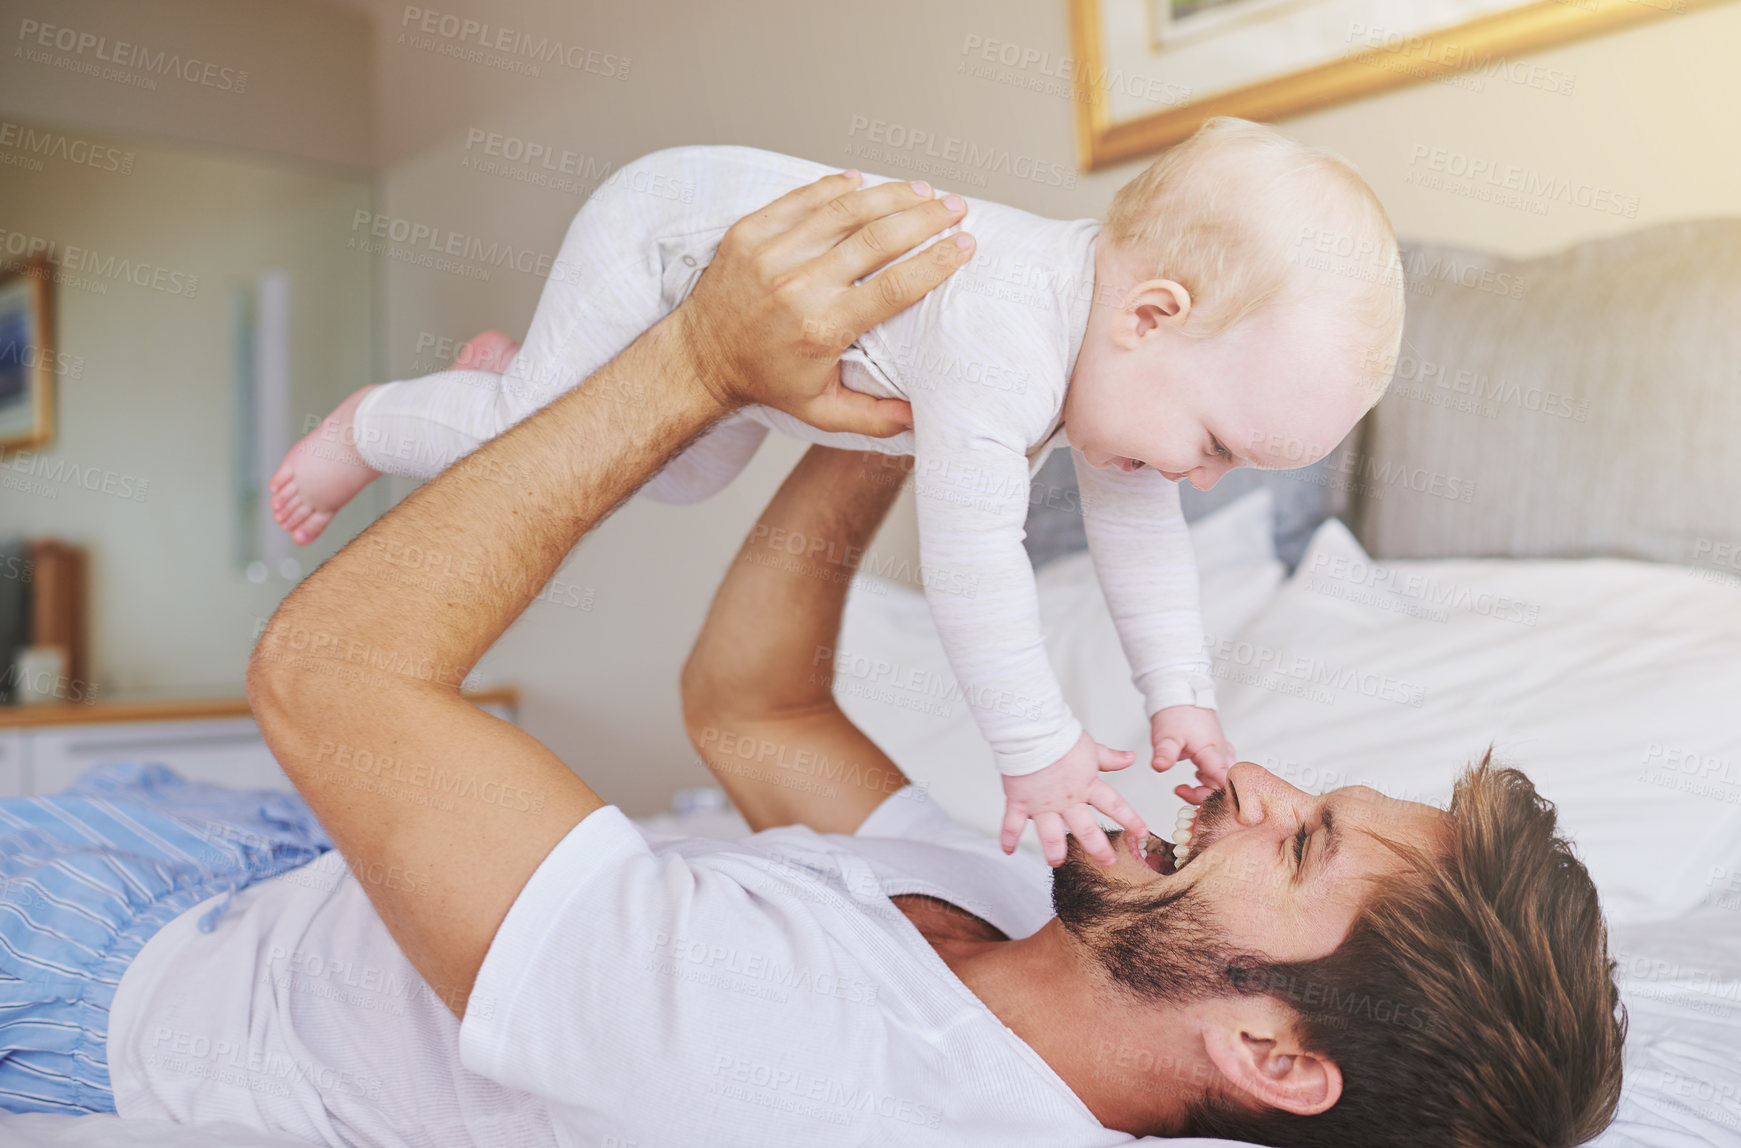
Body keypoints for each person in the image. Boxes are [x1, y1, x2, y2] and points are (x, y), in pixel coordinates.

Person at [0, 173, 1621, 1148]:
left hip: (122, 961)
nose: (1255, 781)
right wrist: (916, 392)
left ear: (1272, 1053)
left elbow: (329, 672)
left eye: (1304, 839)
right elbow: (752, 706)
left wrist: (695, 361)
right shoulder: (1031, 923)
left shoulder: (823, 1073)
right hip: (281, 863)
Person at [267, 119, 1409, 866]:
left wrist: (1182, 695)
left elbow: (1139, 531)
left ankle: (515, 380)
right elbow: (974, 564)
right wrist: (1036, 746)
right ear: (1150, 314)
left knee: (684, 473)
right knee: (546, 435)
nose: (1198, 477)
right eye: (1212, 442)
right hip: (664, 236)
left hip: (756, 345)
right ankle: (373, 422)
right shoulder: (1004, 340)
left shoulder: (1107, 368)